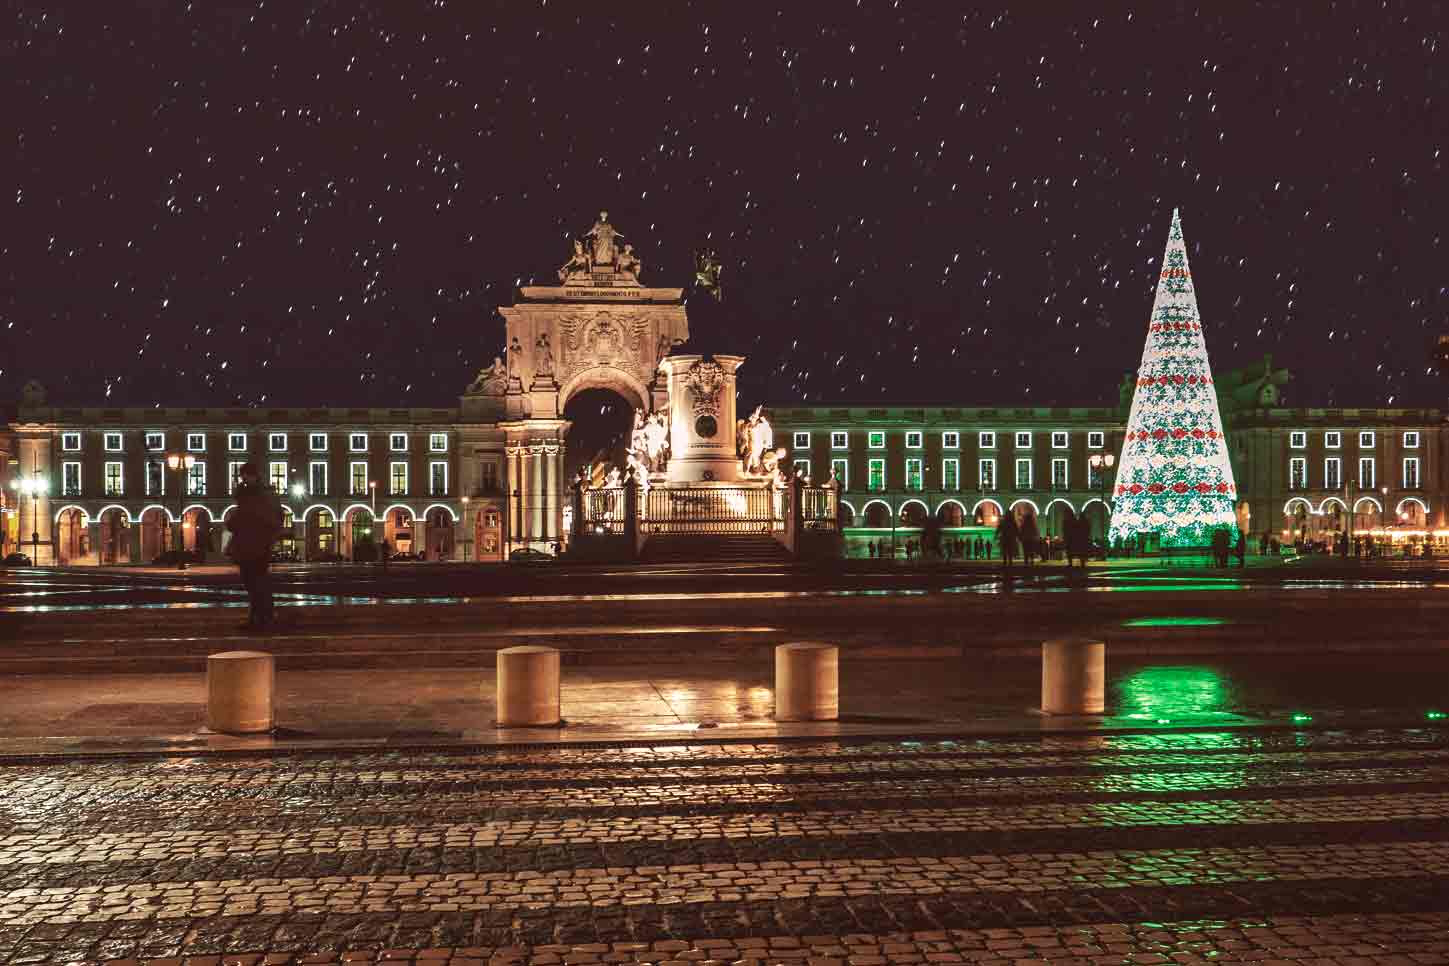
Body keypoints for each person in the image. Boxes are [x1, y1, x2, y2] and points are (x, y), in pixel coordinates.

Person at [226, 462, 282, 631]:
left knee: (257, 582)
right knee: (253, 582)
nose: (243, 479)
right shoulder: (257, 494)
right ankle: (259, 617)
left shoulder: (258, 496)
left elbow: (250, 516)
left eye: (245, 475)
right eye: (242, 476)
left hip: (256, 544)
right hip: (252, 543)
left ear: (254, 475)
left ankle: (263, 618)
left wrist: (234, 522)